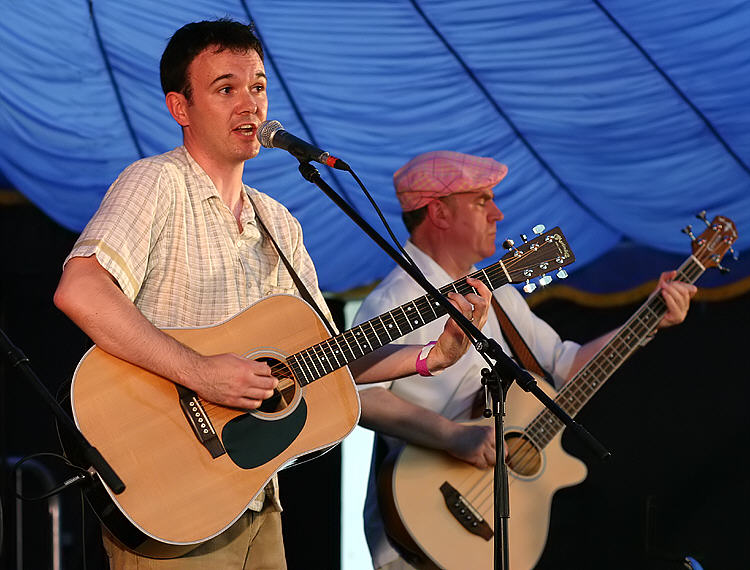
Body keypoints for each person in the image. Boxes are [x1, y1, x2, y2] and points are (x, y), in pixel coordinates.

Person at [53, 21, 491, 570]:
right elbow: (81, 290)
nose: (249, 105)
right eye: (226, 88)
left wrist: (432, 356)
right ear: (180, 108)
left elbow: (326, 357)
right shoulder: (156, 182)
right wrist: (201, 373)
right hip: (170, 492)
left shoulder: (277, 222)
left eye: (258, 87)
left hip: (255, 495)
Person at [353, 150, 697, 570]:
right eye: (482, 201)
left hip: (490, 534)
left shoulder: (497, 294)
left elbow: (565, 365)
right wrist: (452, 436)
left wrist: (650, 319)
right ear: (439, 213)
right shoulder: (396, 299)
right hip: (419, 531)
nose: (498, 213)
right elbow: (359, 395)